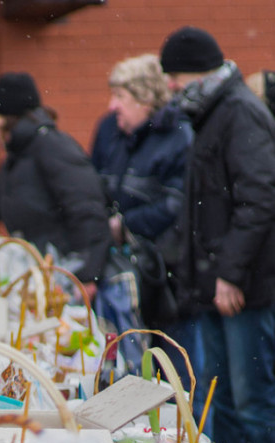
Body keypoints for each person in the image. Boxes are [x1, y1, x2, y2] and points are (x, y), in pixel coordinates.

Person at [160, 26, 275, 443]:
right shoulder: (213, 112)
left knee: (252, 404)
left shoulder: (240, 114)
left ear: (195, 72)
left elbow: (261, 198)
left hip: (244, 290)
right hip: (216, 286)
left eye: (173, 76)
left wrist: (230, 273)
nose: (169, 87)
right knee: (222, 400)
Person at [0, 72, 111, 293]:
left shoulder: (52, 148)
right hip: (40, 275)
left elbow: (87, 209)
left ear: (5, 119)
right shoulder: (18, 159)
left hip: (65, 278)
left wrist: (87, 276)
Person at [90, 53, 200, 376]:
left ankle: (183, 426)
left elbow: (175, 205)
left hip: (169, 282)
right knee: (130, 372)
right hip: (126, 278)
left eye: (120, 97)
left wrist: (124, 226)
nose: (113, 106)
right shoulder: (114, 133)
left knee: (178, 378)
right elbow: (95, 189)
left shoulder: (180, 136)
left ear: (146, 99)